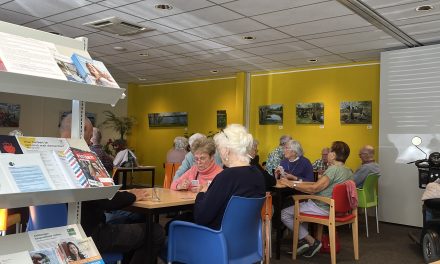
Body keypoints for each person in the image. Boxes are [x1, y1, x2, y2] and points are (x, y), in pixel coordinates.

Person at [59, 114, 164, 264]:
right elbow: (105, 199)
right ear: (79, 132)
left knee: (136, 218)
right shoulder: (82, 160)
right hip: (91, 235)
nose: (90, 142)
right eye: (89, 138)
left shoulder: (52, 156)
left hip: (63, 231)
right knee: (155, 231)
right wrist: (132, 195)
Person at [280, 141, 353, 258]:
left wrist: (291, 184)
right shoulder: (348, 171)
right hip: (338, 209)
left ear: (333, 155)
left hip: (323, 207)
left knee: (284, 213)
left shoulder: (333, 169)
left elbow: (314, 188)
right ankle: (303, 242)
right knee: (300, 208)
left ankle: (311, 242)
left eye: (329, 152)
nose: (327, 154)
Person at [193, 124, 266, 230]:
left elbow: (201, 217)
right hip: (246, 237)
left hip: (218, 238)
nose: (219, 153)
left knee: (173, 226)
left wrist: (201, 193)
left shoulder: (226, 177)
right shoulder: (258, 174)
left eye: (219, 149)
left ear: (226, 150)